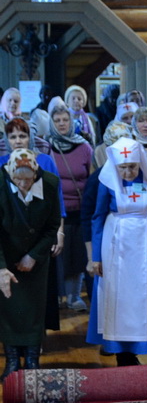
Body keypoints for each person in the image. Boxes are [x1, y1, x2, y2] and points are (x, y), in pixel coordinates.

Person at [87, 138, 147, 367]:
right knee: (118, 296)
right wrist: (96, 257)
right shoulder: (107, 182)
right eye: (123, 168)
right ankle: (120, 352)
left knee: (142, 295)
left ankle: (139, 347)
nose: (128, 172)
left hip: (144, 243)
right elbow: (97, 218)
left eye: (133, 166)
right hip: (116, 244)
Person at [0, 150, 61, 378]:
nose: (23, 184)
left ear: (36, 173)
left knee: (35, 307)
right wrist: (1, 268)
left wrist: (34, 255)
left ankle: (33, 360)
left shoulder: (50, 183)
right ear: (10, 173)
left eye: (28, 179)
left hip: (36, 257)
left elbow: (52, 225)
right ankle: (12, 360)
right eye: (18, 179)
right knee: (8, 307)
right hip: (6, 256)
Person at [48, 102, 94, 312]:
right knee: (58, 255)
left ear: (71, 121)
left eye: (65, 120)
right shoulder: (46, 146)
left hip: (79, 209)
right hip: (55, 211)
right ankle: (58, 296)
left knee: (77, 255)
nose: (62, 124)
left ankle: (74, 296)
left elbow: (92, 178)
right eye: (57, 120)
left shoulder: (84, 147)